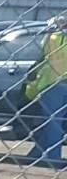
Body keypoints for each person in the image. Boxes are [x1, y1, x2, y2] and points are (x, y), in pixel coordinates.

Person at [29, 16, 67, 166]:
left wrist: (50, 30)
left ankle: (52, 158)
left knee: (53, 123)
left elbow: (41, 50)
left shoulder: (53, 38)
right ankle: (36, 154)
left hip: (52, 83)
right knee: (55, 122)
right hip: (61, 83)